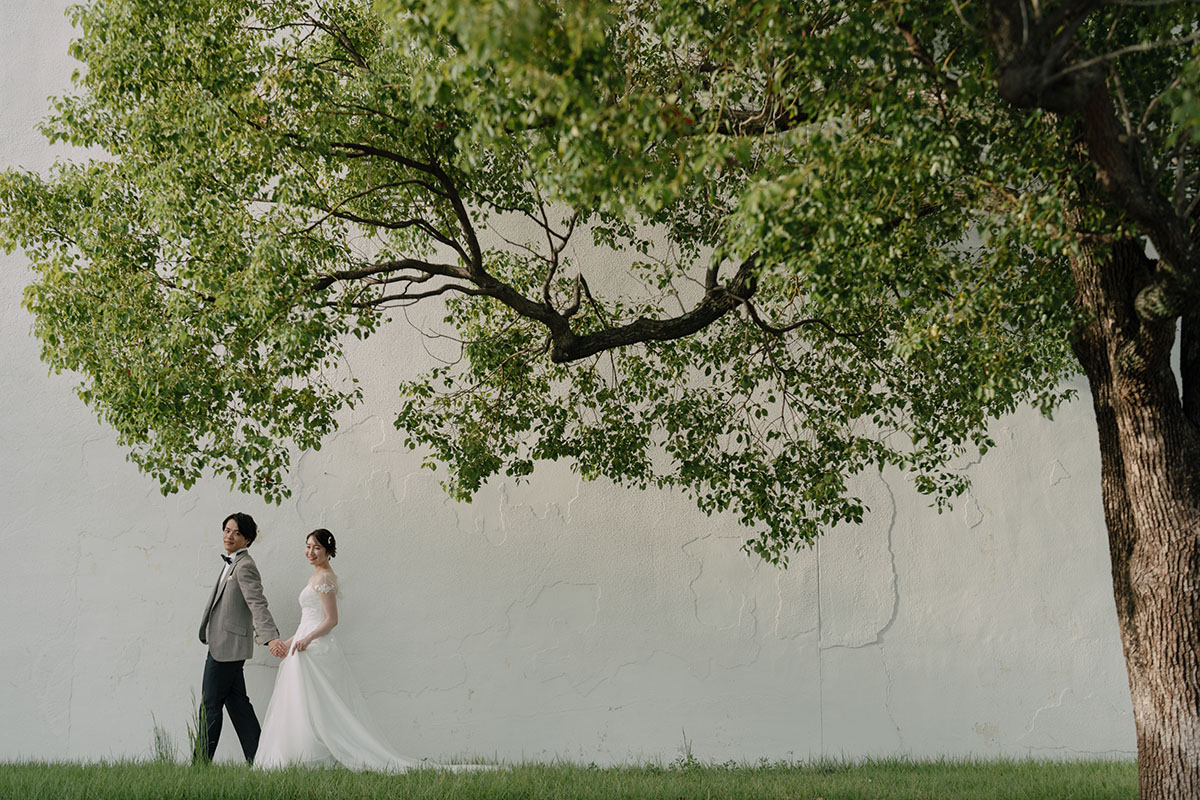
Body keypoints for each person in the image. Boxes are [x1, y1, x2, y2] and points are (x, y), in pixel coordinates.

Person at [256, 529, 483, 771]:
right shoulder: (314, 579)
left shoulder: (325, 580)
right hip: (303, 648)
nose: (310, 552)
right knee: (301, 705)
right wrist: (286, 644)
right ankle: (300, 756)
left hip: (316, 650)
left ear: (328, 552)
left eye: (317, 548)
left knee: (322, 708)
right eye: (308, 546)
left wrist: (308, 640)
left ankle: (324, 756)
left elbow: (331, 620)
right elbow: (306, 621)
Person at [197, 512, 286, 764]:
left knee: (210, 704)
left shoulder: (245, 566)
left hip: (228, 647)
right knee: (238, 705)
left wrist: (270, 637)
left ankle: (200, 763)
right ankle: (261, 759)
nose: (229, 536)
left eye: (236, 533)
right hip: (223, 644)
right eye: (227, 530)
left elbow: (257, 603)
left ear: (247, 540)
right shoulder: (230, 563)